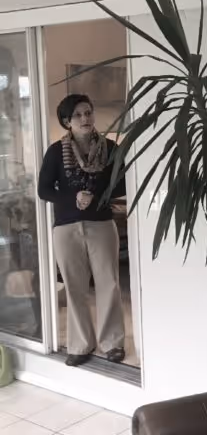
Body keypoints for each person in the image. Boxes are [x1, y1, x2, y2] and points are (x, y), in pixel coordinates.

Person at [37, 94, 126, 367]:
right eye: (78, 115)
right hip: (66, 227)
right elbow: (43, 190)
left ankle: (112, 343)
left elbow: (121, 185)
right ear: (66, 121)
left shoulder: (110, 148)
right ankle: (80, 344)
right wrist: (74, 198)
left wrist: (95, 195)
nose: (86, 118)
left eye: (89, 112)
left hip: (101, 223)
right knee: (75, 287)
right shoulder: (55, 152)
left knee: (108, 284)